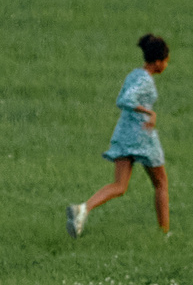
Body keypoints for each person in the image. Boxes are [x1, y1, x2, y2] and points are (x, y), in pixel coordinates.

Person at [70, 34, 169, 237]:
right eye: (166, 61)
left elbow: (122, 97)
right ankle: (164, 233)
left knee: (119, 185)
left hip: (124, 135)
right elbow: (125, 99)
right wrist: (149, 112)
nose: (166, 65)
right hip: (142, 136)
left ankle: (83, 209)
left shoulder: (134, 74)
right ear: (158, 61)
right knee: (161, 183)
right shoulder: (146, 80)